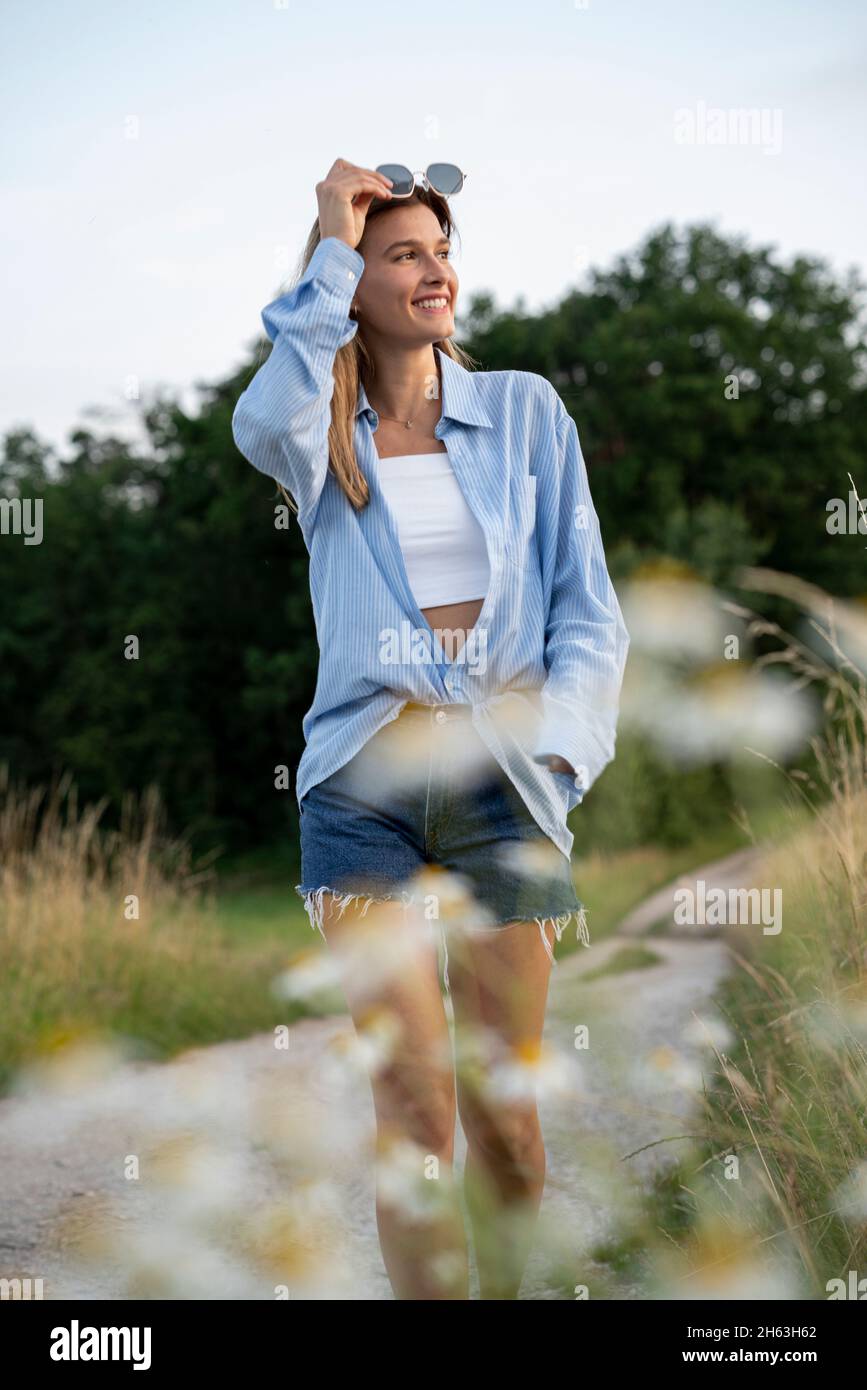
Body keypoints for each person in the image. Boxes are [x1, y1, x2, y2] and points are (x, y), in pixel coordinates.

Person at [232, 158, 629, 1299]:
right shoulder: (321, 437)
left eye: (441, 251)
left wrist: (562, 751)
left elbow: (586, 606)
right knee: (416, 1112)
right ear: (351, 284)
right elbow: (264, 414)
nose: (433, 270)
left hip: (506, 778)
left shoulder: (522, 411)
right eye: (402, 254)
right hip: (362, 787)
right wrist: (327, 234)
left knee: (505, 1126)